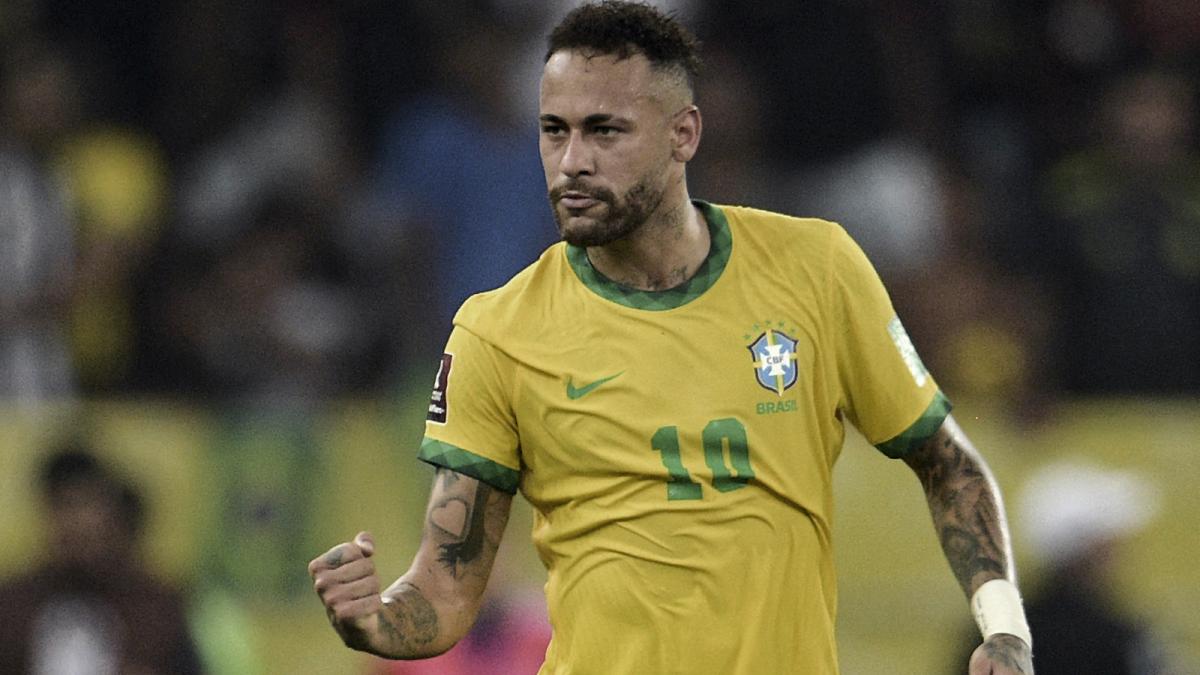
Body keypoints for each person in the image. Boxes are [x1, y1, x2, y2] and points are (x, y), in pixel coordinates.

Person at [309, 3, 1035, 673]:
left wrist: (1004, 628)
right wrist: (375, 619)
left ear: (683, 134)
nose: (573, 161)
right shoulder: (496, 330)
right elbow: (445, 588)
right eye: (554, 130)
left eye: (605, 130)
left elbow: (946, 463)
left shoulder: (816, 270)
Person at [0, 444, 204, 674]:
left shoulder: (156, 608)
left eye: (87, 506)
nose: (78, 522)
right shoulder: (14, 605)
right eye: (65, 506)